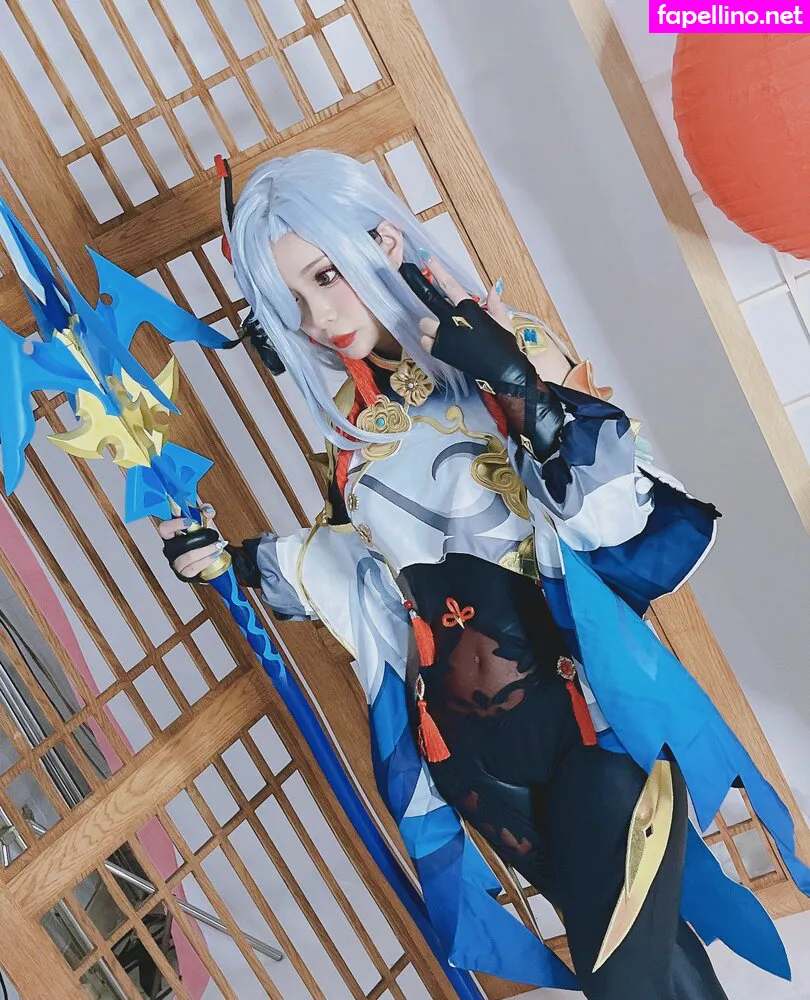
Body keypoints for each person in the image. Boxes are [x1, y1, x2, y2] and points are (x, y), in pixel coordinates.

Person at [159, 149, 808, 999]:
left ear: (380, 241)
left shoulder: (507, 347)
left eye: (325, 276)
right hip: (472, 765)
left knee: (628, 976)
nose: (319, 318)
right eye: (293, 302)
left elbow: (624, 515)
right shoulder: (353, 432)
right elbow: (367, 579)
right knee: (660, 975)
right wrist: (237, 561)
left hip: (587, 723)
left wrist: (519, 389)